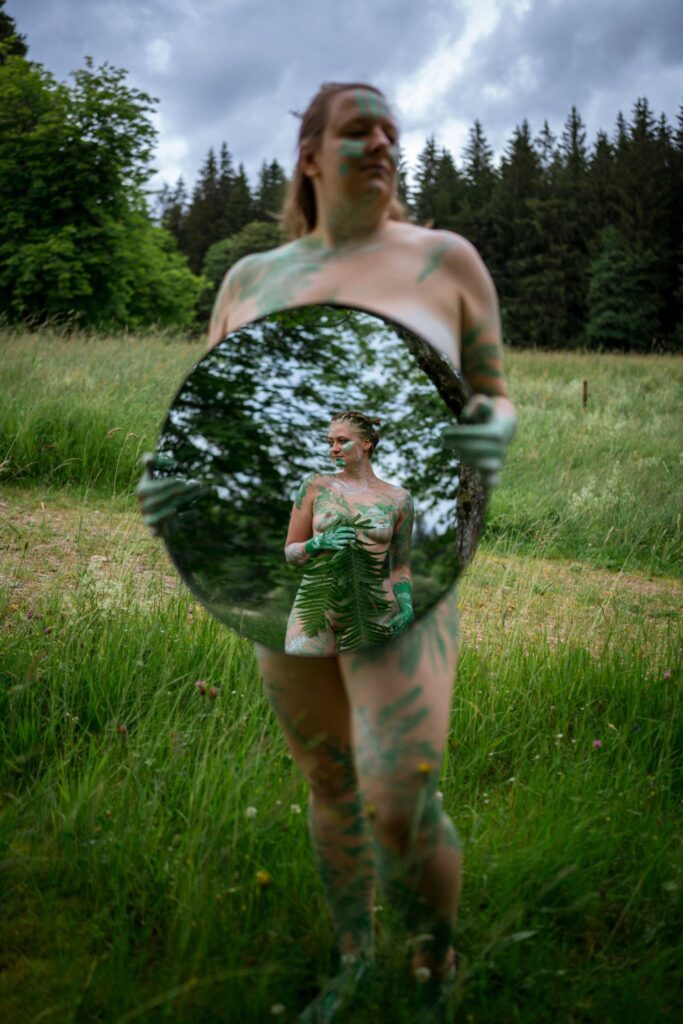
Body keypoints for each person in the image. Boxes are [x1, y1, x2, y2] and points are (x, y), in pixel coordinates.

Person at [139, 82, 517, 1023]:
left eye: (391, 130)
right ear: (310, 155)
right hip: (293, 583)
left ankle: (432, 968)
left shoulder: (444, 261)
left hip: (404, 570)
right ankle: (354, 959)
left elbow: (492, 392)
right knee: (327, 778)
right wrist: (169, 486)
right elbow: (204, 423)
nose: (381, 142)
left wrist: (492, 430)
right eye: (358, 130)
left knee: (397, 796)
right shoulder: (249, 282)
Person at [284, 409, 414, 656]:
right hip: (315, 604)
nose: (333, 449)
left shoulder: (399, 499)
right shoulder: (315, 486)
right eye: (330, 442)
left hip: (373, 608)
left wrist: (407, 606)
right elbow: (291, 553)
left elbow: (400, 566)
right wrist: (317, 543)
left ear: (366, 443)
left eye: (342, 441)